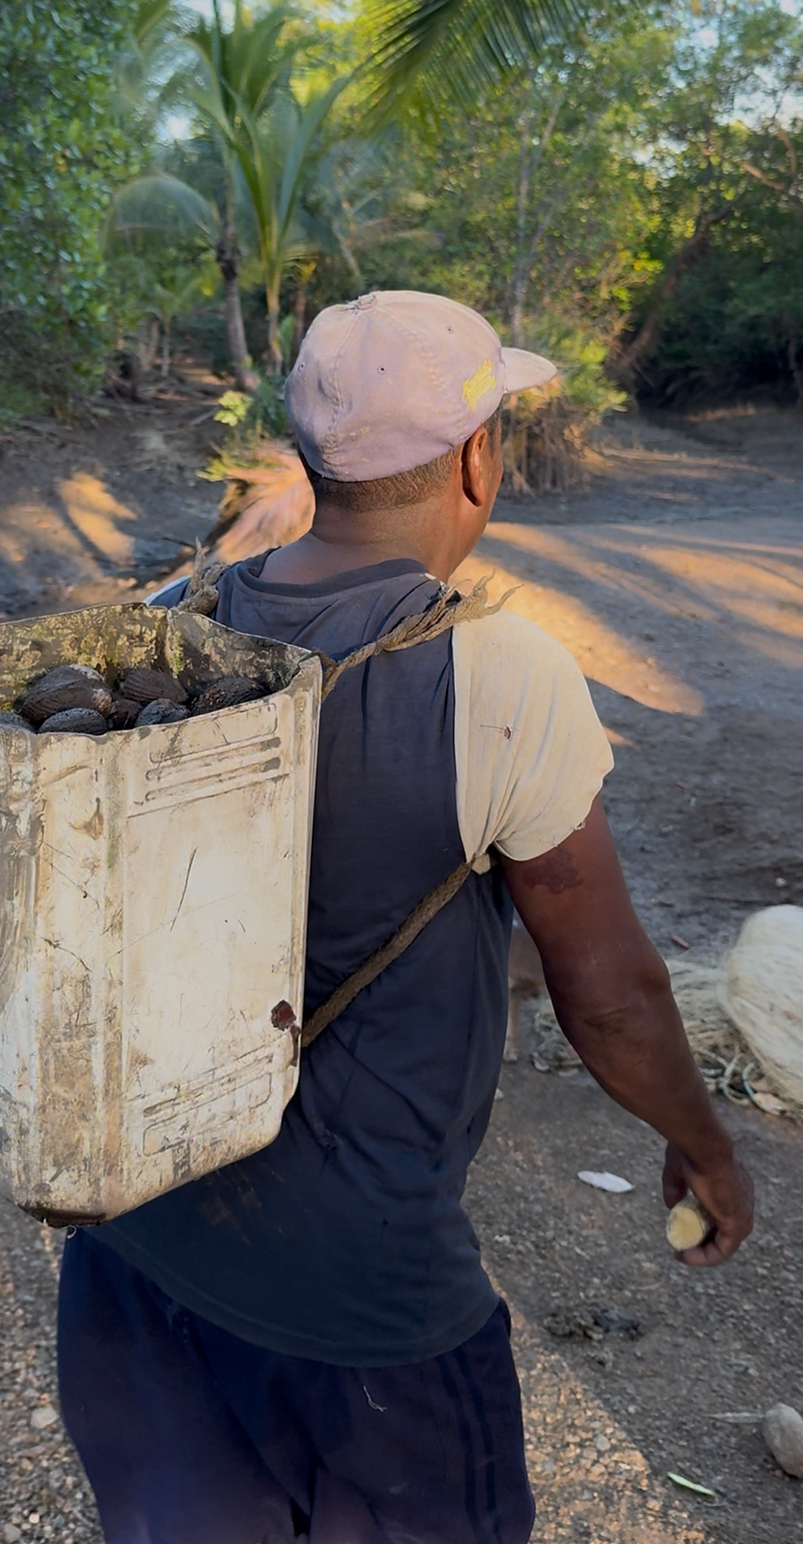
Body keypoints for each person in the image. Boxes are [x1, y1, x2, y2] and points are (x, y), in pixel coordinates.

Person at [57, 290, 753, 1544]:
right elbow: (604, 990)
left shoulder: (177, 624)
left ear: (311, 456)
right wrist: (701, 1140)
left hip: (132, 1253)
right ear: (479, 459)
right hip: (359, 1310)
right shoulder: (497, 669)